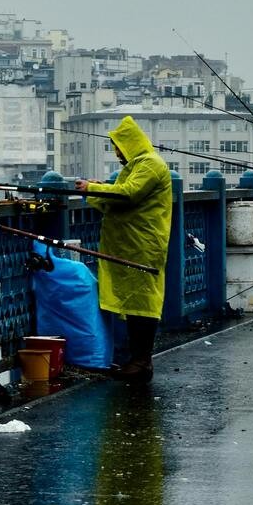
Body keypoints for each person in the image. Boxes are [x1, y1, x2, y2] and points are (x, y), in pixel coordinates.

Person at [75, 116, 172, 382]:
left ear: (129, 144)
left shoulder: (150, 165)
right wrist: (99, 189)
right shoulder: (136, 165)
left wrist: (93, 188)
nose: (117, 153)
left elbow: (127, 194)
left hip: (142, 245)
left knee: (143, 303)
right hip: (130, 245)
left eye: (118, 147)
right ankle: (136, 360)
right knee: (134, 302)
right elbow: (118, 195)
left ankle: (141, 362)